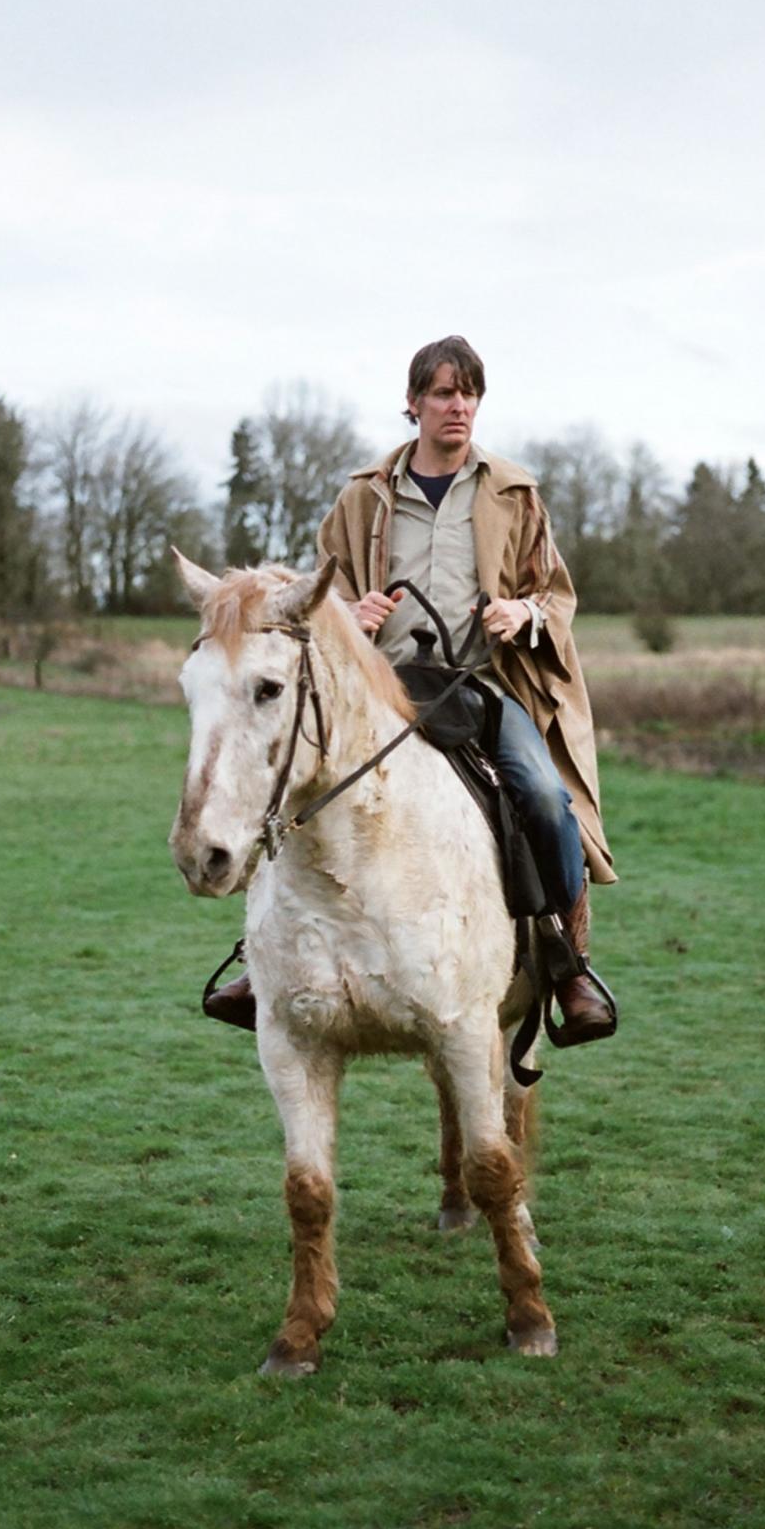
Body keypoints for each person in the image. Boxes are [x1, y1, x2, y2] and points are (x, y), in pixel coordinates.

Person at [205, 335, 616, 1043]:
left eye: (469, 393)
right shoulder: (361, 496)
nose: (458, 406)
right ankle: (260, 962)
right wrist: (348, 615)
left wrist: (522, 613)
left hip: (479, 687)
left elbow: (556, 596)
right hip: (378, 694)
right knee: (293, 782)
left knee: (546, 800)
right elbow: (312, 599)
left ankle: (567, 964)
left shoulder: (515, 495)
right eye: (443, 393)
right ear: (414, 404)